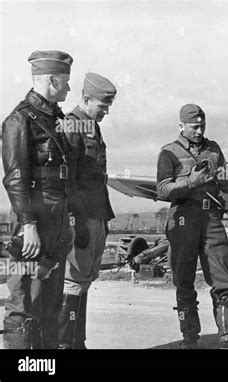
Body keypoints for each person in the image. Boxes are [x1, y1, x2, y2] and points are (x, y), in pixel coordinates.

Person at [156, 104, 228, 349]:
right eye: (194, 127)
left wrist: (224, 178)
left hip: (211, 218)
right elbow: (162, 189)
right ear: (182, 126)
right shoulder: (168, 152)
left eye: (202, 126)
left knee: (222, 277)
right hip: (183, 219)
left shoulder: (214, 150)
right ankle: (189, 339)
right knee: (184, 282)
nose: (200, 131)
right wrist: (190, 183)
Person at [1, 50, 74, 348]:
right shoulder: (20, 120)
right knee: (24, 303)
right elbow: (15, 176)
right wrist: (28, 224)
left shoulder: (57, 121)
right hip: (32, 221)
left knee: (51, 305)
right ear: (53, 80)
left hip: (56, 222)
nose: (69, 89)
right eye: (66, 82)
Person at [57, 73, 116, 349]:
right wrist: (75, 221)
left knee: (84, 280)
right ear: (85, 99)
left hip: (96, 214)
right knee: (73, 281)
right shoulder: (71, 125)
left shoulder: (92, 126)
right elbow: (67, 180)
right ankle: (66, 345)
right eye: (102, 106)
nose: (105, 111)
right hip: (81, 218)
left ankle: (77, 343)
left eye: (108, 106)